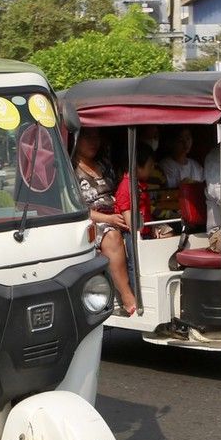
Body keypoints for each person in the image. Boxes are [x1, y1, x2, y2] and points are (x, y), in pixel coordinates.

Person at [73, 127, 137, 315]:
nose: (94, 141)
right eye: (88, 137)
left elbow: (120, 193)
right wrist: (109, 219)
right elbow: (77, 209)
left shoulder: (104, 164)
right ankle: (128, 297)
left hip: (117, 212)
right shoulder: (70, 169)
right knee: (111, 236)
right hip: (93, 219)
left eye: (96, 137)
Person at [115, 143, 173, 239]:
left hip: (146, 229)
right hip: (132, 234)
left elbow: (146, 212)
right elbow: (128, 218)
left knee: (169, 234)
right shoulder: (125, 187)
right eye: (149, 166)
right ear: (136, 166)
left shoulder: (140, 184)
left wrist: (152, 227)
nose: (152, 169)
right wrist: (139, 237)